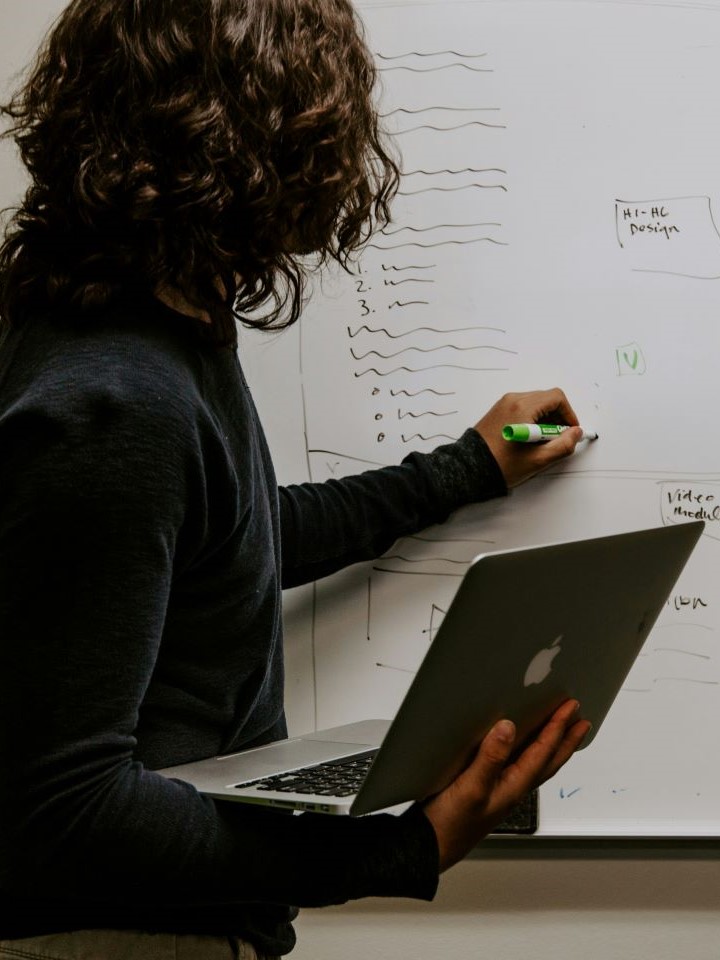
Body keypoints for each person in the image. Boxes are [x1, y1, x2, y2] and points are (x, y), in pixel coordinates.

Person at [0, 1, 591, 957]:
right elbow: (59, 812)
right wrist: (404, 851)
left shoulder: (150, 337)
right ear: (265, 145)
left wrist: (468, 467)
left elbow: (230, 540)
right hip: (120, 939)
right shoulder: (114, 397)